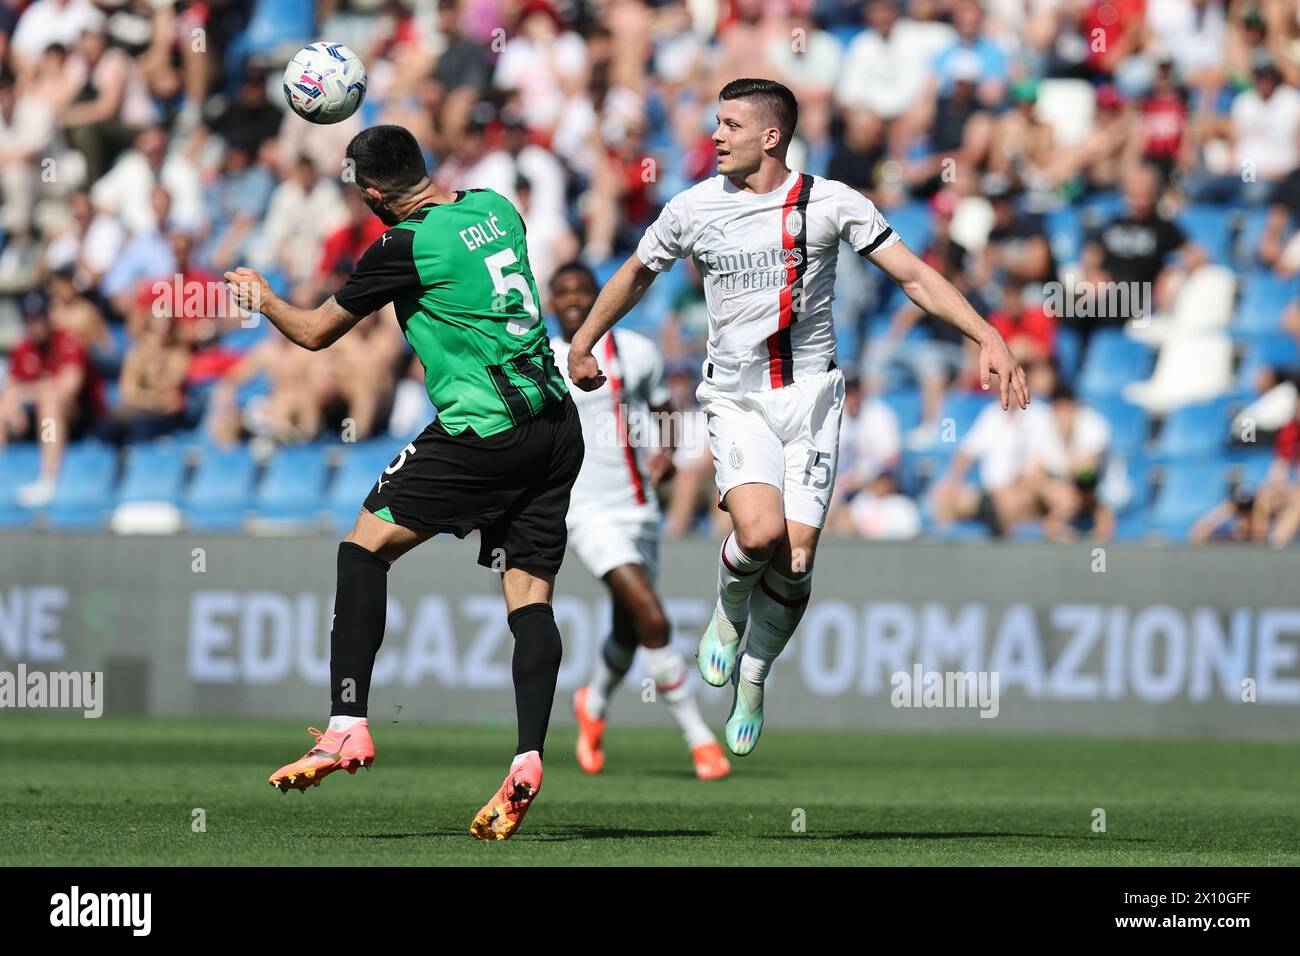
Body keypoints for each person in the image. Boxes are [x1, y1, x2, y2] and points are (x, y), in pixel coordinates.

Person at [566, 79, 1027, 757]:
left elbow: (916, 277)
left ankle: (754, 673)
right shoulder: (693, 208)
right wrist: (583, 340)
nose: (715, 136)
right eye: (715, 124)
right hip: (737, 397)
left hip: (812, 396)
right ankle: (727, 617)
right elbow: (636, 274)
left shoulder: (833, 203)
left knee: (799, 556)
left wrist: (985, 332)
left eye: (729, 125)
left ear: (770, 136)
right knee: (757, 535)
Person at [225, 124, 583, 841]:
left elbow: (317, 333)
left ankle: (347, 725)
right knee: (529, 596)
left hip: (484, 433)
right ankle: (529, 755)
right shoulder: (494, 207)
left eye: (362, 194)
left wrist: (262, 298)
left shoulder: (401, 245)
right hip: (557, 425)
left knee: (362, 550)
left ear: (377, 195)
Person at [547, 261, 730, 782]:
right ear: (552, 303)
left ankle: (593, 701)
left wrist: (666, 453)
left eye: (585, 288)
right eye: (565, 293)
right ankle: (699, 740)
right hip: (584, 511)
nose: (576, 298)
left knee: (629, 627)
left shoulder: (635, 351)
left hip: (639, 505)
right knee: (653, 618)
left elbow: (662, 408)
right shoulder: (539, 357)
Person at [0, 290, 104, 506]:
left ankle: (48, 478)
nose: (35, 324)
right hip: (34, 416)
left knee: (50, 403)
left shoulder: (68, 342)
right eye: (29, 319)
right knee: (3, 407)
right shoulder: (23, 348)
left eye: (39, 318)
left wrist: (27, 393)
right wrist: (13, 406)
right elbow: (11, 389)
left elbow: (69, 387)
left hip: (80, 417)